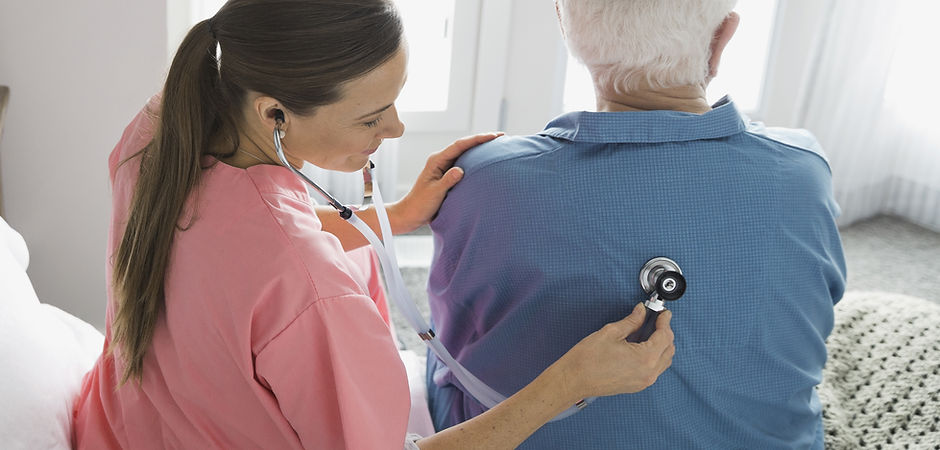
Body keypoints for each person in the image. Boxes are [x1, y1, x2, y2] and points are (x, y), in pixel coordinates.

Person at [70, 1, 676, 448]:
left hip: (121, 427)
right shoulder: (313, 289)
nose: (396, 131)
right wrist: (570, 380)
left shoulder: (159, 133)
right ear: (274, 113)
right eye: (370, 118)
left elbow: (236, 249)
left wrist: (399, 216)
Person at [425, 0, 847, 448]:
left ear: (567, 30)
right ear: (722, 40)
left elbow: (450, 341)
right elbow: (819, 307)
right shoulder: (801, 169)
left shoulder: (484, 176)